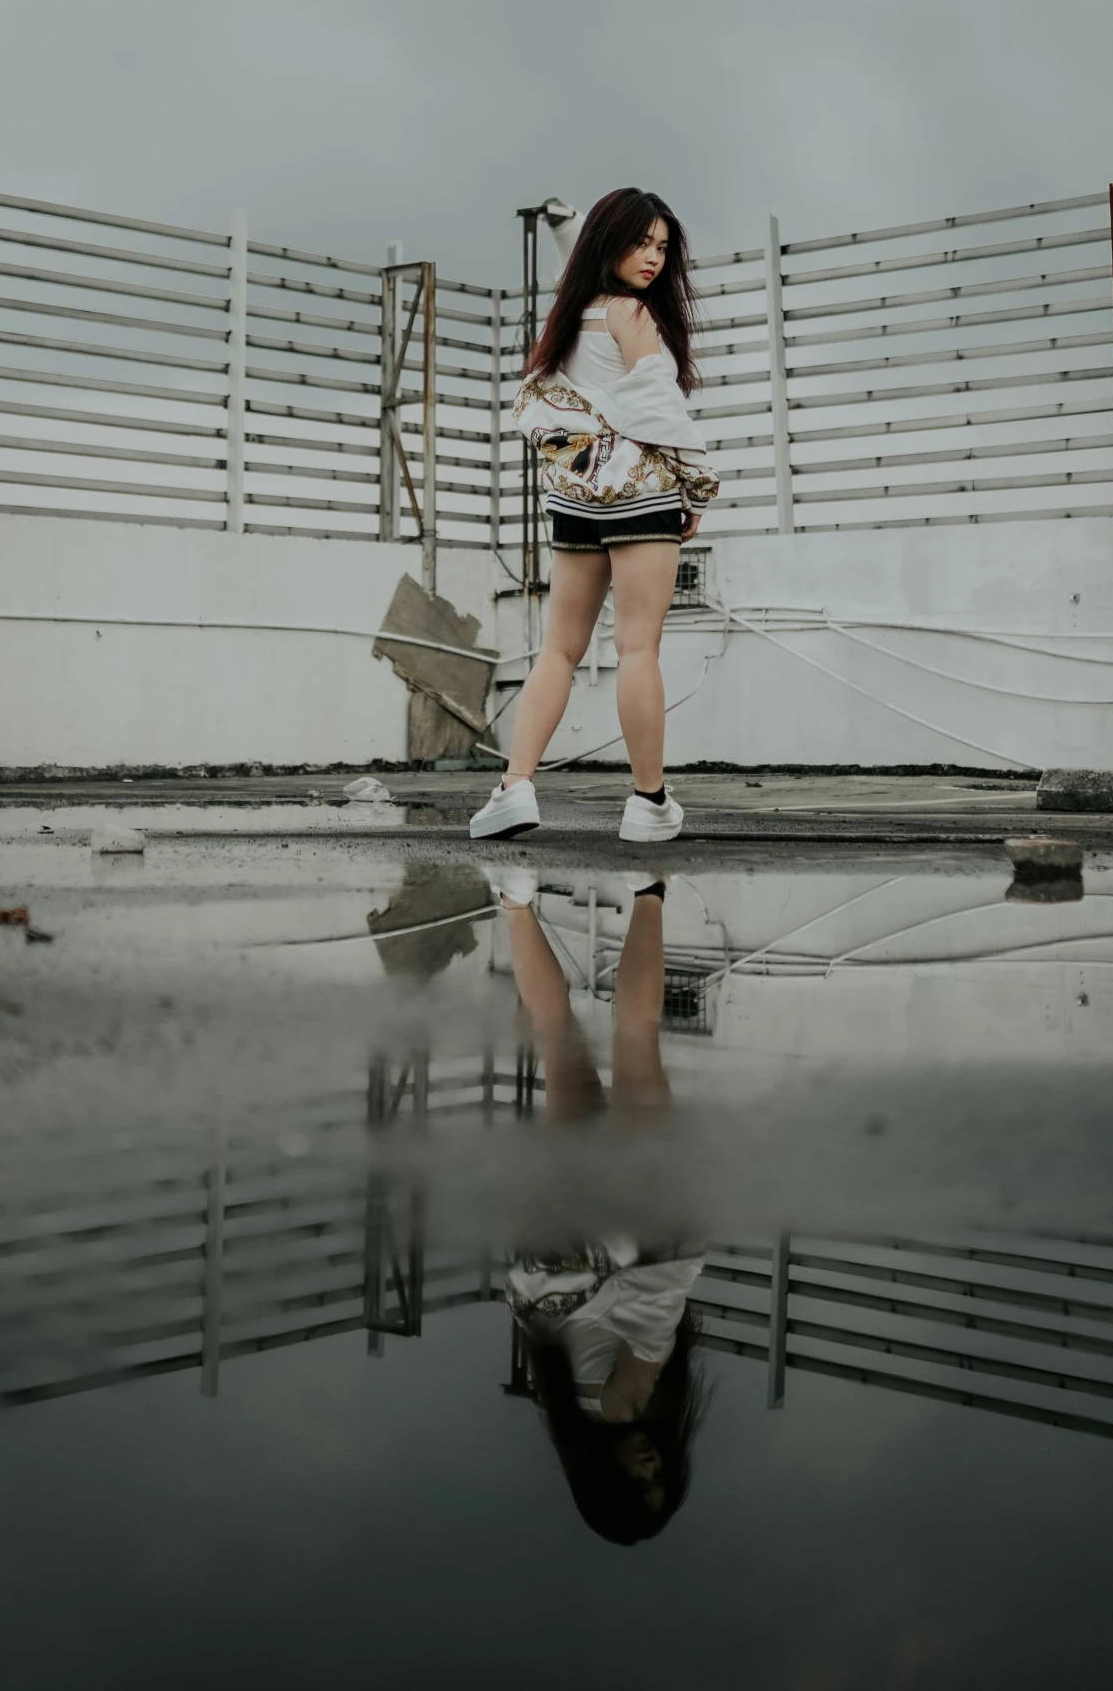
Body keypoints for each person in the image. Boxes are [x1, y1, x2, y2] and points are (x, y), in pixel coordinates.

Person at [470, 189, 719, 849]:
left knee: (557, 649)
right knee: (637, 647)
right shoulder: (630, 314)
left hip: (576, 494)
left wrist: (562, 224)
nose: (653, 259)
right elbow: (659, 412)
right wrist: (695, 490)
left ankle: (514, 786)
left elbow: (575, 254)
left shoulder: (569, 315)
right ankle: (646, 803)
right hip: (641, 496)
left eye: (663, 248)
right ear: (609, 244)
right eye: (641, 244)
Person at [490, 865, 706, 1545]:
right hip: (554, 1243)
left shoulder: (624, 1405)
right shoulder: (556, 1396)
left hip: (624, 1235)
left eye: (637, 1483)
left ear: (602, 1480)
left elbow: (657, 1303)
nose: (650, 1467)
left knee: (635, 1042)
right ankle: (516, 900)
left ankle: (647, 889)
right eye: (660, 1479)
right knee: (559, 1045)